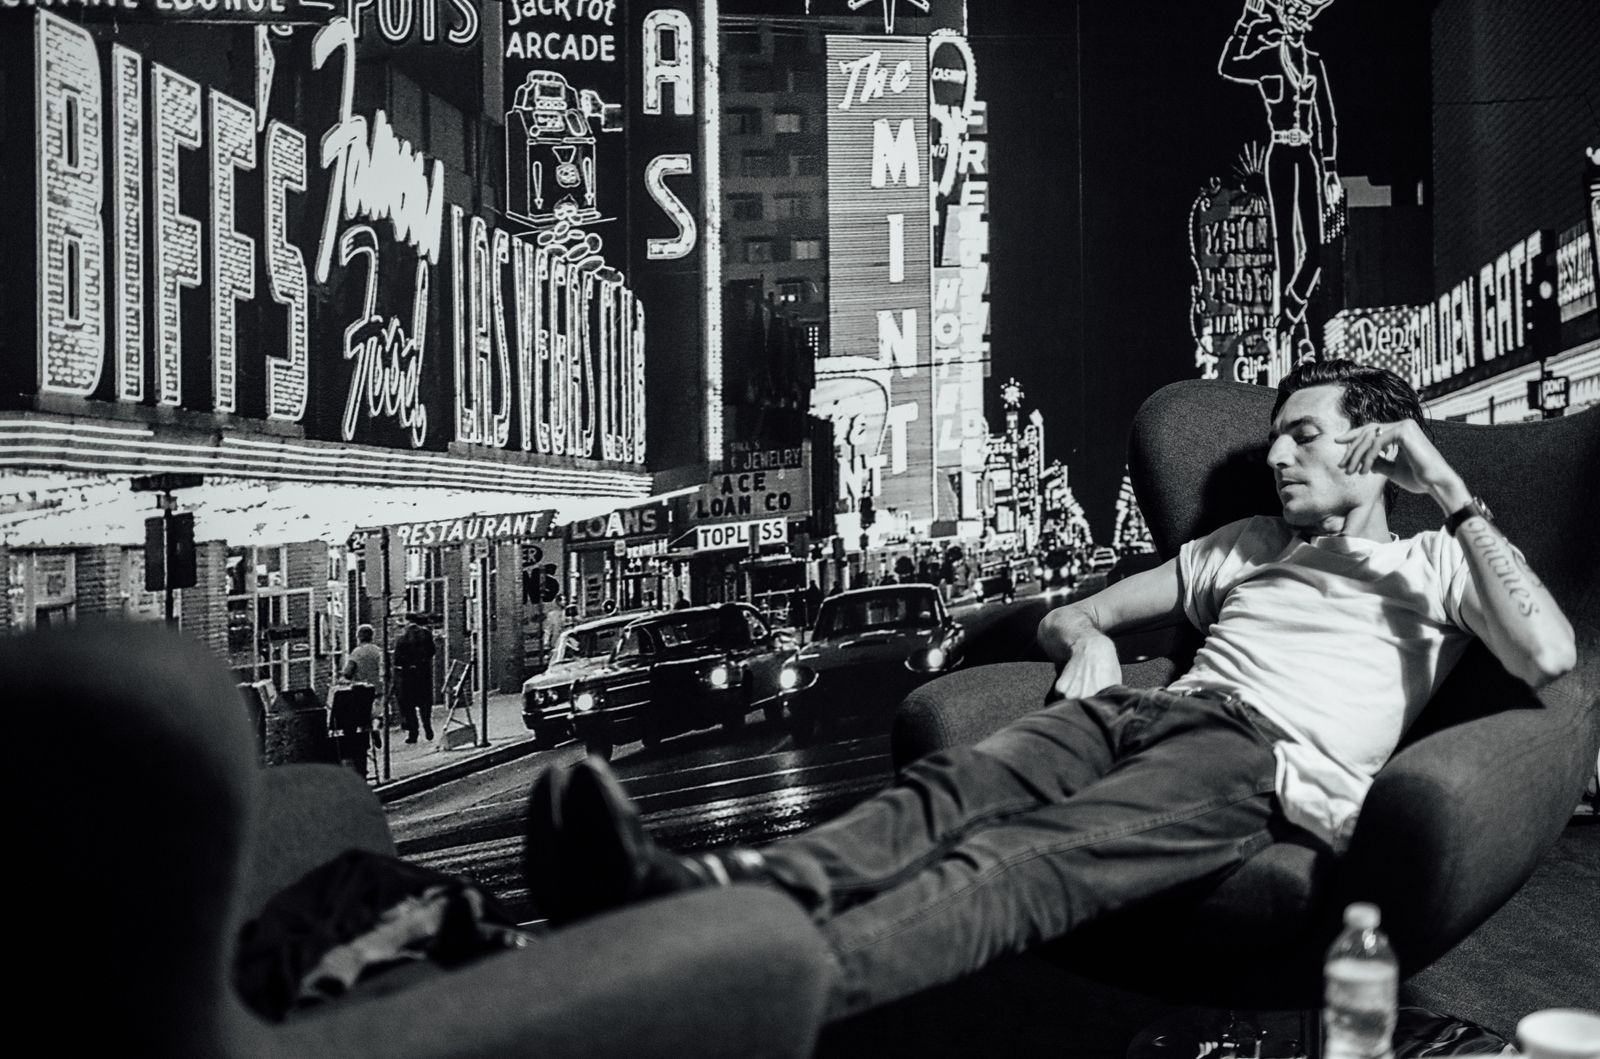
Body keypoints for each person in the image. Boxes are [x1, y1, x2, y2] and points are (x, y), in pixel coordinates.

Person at [522, 360, 1578, 1019]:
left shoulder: (1437, 561)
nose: (1277, 453)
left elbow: (1548, 656)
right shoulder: (1248, 541)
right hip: (1134, 711)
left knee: (1019, 862)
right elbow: (1076, 614)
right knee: (940, 798)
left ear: (1380, 445)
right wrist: (1090, 646)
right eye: (1274, 434)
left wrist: (1451, 490)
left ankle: (736, 992)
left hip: (1253, 756)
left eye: (1304, 433)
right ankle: (693, 891)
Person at [391, 615, 437, 743]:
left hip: (408, 676)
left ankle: (413, 732)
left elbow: (397, 659)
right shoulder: (426, 634)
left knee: (408, 705)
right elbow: (432, 651)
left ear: (407, 622)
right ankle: (427, 725)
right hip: (424, 674)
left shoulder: (402, 638)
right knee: (425, 703)